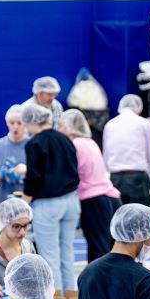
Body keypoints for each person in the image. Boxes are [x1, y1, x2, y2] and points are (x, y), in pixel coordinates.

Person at [23, 103, 81, 291]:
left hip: (48, 204)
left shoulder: (34, 143)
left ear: (31, 122)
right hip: (71, 200)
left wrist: (25, 199)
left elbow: (34, 176)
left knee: (50, 257)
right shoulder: (65, 140)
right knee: (67, 254)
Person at [61, 108, 121, 262]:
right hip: (110, 197)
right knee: (111, 248)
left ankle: (98, 285)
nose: (59, 130)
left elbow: (70, 174)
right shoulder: (90, 142)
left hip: (94, 201)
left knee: (98, 251)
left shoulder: (75, 145)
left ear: (69, 126)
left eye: (61, 126)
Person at [103, 93, 150, 206]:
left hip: (115, 178)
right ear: (139, 108)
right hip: (137, 177)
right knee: (140, 217)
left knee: (118, 216)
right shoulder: (144, 123)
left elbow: (106, 154)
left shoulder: (110, 125)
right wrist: (144, 166)